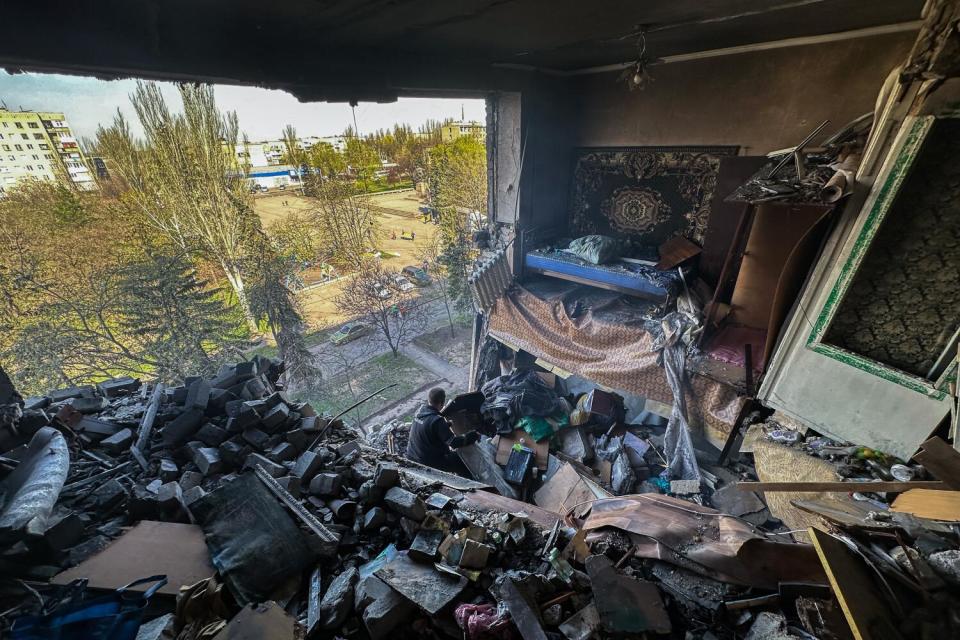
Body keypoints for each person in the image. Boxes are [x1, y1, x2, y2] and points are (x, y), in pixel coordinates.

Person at [406, 388, 478, 475]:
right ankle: (470, 484)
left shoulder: (420, 412)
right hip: (428, 463)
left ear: (429, 400)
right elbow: (454, 443)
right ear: (441, 403)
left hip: (413, 457)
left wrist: (445, 426)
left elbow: (428, 428)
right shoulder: (437, 421)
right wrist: (473, 436)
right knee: (462, 460)